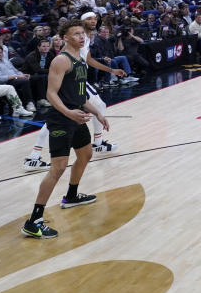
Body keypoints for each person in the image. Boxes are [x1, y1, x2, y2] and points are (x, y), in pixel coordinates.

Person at [21, 19, 110, 239]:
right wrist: (69, 113)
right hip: (62, 119)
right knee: (58, 167)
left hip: (77, 116)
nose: (82, 36)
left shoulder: (80, 59)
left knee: (86, 154)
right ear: (66, 38)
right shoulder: (62, 60)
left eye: (83, 33)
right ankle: (34, 221)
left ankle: (71, 196)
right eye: (77, 34)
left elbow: (79, 96)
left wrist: (97, 112)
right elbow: (51, 94)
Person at [21, 12, 124, 172]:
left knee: (91, 108)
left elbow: (89, 60)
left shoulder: (86, 39)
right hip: (71, 80)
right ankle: (96, 143)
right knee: (61, 117)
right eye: (89, 19)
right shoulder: (72, 42)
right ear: (81, 23)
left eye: (95, 18)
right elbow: (64, 57)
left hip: (80, 78)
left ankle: (34, 155)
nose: (93, 21)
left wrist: (111, 70)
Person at [0, 45, 36, 114]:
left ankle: (39, 100)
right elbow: (0, 79)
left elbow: (15, 70)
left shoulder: (5, 60)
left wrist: (22, 75)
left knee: (35, 78)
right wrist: (17, 76)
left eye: (0, 52)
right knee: (24, 81)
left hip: (15, 78)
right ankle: (29, 103)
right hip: (5, 83)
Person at [21, 38, 54, 107]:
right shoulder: (32, 56)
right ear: (38, 47)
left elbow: (54, 65)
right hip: (29, 75)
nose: (46, 48)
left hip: (42, 74)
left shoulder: (50, 54)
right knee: (42, 77)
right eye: (44, 46)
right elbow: (37, 70)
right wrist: (53, 71)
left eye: (48, 46)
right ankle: (41, 99)